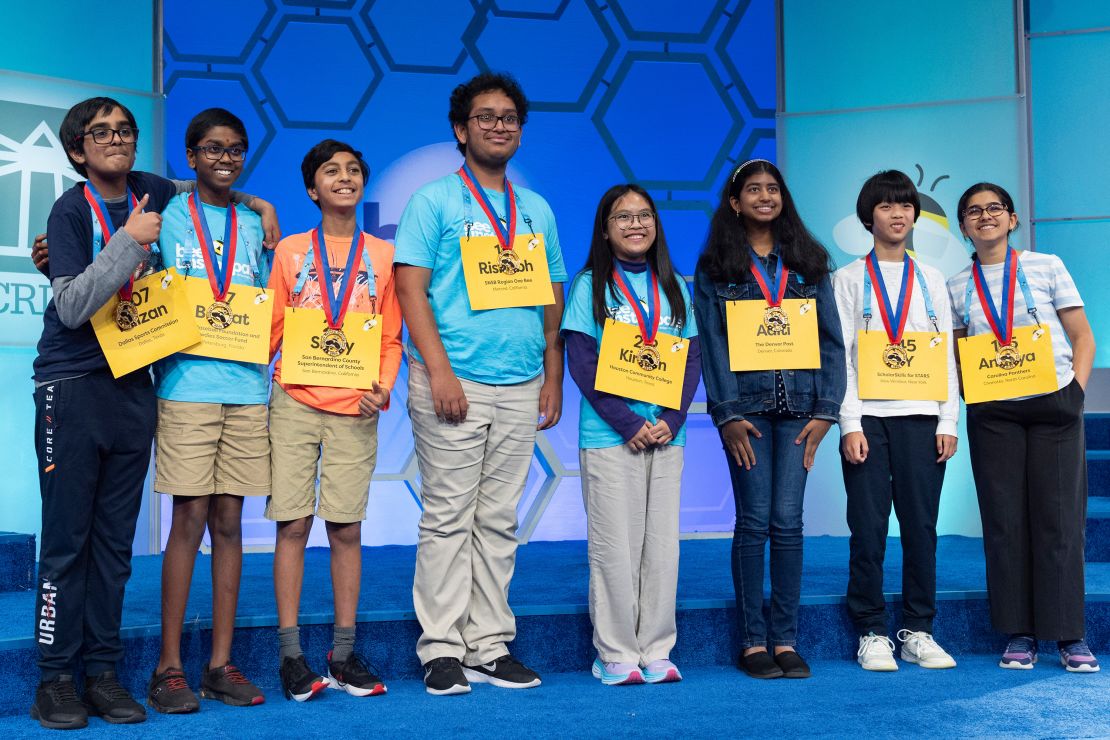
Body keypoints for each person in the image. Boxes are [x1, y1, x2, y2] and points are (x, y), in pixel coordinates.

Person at [28, 97, 275, 730]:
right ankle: (55, 678)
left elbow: (210, 181)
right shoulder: (69, 210)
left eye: (125, 130)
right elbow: (74, 307)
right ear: (78, 151)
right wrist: (125, 243)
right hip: (73, 386)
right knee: (66, 544)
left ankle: (104, 673)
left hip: (135, 387)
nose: (115, 139)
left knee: (114, 546)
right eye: (99, 133)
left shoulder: (153, 190)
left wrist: (259, 205)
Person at [394, 72, 566, 695]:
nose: (500, 126)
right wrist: (438, 371)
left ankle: (488, 646)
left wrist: (553, 374)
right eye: (486, 117)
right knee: (447, 517)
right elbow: (410, 289)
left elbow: (552, 294)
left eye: (510, 117)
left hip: (522, 384)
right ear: (460, 130)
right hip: (454, 380)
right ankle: (440, 647)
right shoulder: (434, 201)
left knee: (497, 520)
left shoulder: (536, 209)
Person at [694, 159, 845, 679]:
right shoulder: (717, 267)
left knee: (789, 525)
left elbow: (831, 342)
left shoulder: (809, 261)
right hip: (748, 415)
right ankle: (753, 641)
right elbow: (712, 347)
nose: (765, 196)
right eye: (753, 189)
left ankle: (786, 639)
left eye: (773, 188)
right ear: (735, 202)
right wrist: (727, 414)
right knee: (754, 522)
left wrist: (827, 412)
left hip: (802, 411)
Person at [266, 140, 402, 701]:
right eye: (330, 171)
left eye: (352, 171)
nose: (343, 178)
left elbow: (391, 334)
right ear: (311, 188)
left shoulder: (385, 255)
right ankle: (291, 654)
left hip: (355, 406)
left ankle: (343, 653)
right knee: (293, 524)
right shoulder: (292, 251)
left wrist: (383, 387)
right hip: (295, 401)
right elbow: (272, 325)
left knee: (346, 527)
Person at [145, 108, 269, 713]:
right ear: (190, 157)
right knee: (187, 521)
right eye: (213, 149)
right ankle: (169, 667)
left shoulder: (255, 225)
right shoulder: (163, 214)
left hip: (247, 389)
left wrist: (260, 206)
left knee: (230, 522)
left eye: (237, 149)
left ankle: (220, 664)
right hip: (187, 384)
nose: (226, 158)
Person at [948, 183, 1098, 672]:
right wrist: (972, 396)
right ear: (964, 225)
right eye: (974, 211)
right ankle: (1019, 632)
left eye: (995, 209)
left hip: (1054, 406)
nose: (985, 216)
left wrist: (1074, 392)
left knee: (1059, 522)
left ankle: (1069, 635)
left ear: (1012, 219)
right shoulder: (956, 286)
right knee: (1005, 524)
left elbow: (1082, 337)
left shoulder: (1046, 265)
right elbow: (955, 350)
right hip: (994, 414)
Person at [562, 184, 700, 685]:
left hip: (667, 436)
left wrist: (671, 419)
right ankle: (616, 652)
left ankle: (657, 650)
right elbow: (582, 361)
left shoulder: (675, 286)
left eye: (644, 215)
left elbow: (692, 359)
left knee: (662, 548)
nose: (636, 224)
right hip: (609, 437)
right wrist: (627, 422)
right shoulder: (589, 287)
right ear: (605, 228)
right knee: (615, 548)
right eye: (623, 217)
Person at [833, 169, 959, 672]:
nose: (898, 213)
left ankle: (917, 630)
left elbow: (947, 352)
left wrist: (949, 420)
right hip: (869, 418)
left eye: (905, 205)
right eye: (886, 206)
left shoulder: (931, 279)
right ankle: (871, 630)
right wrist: (849, 423)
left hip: (923, 419)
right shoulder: (845, 279)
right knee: (867, 527)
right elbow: (839, 357)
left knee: (921, 526)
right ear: (869, 217)